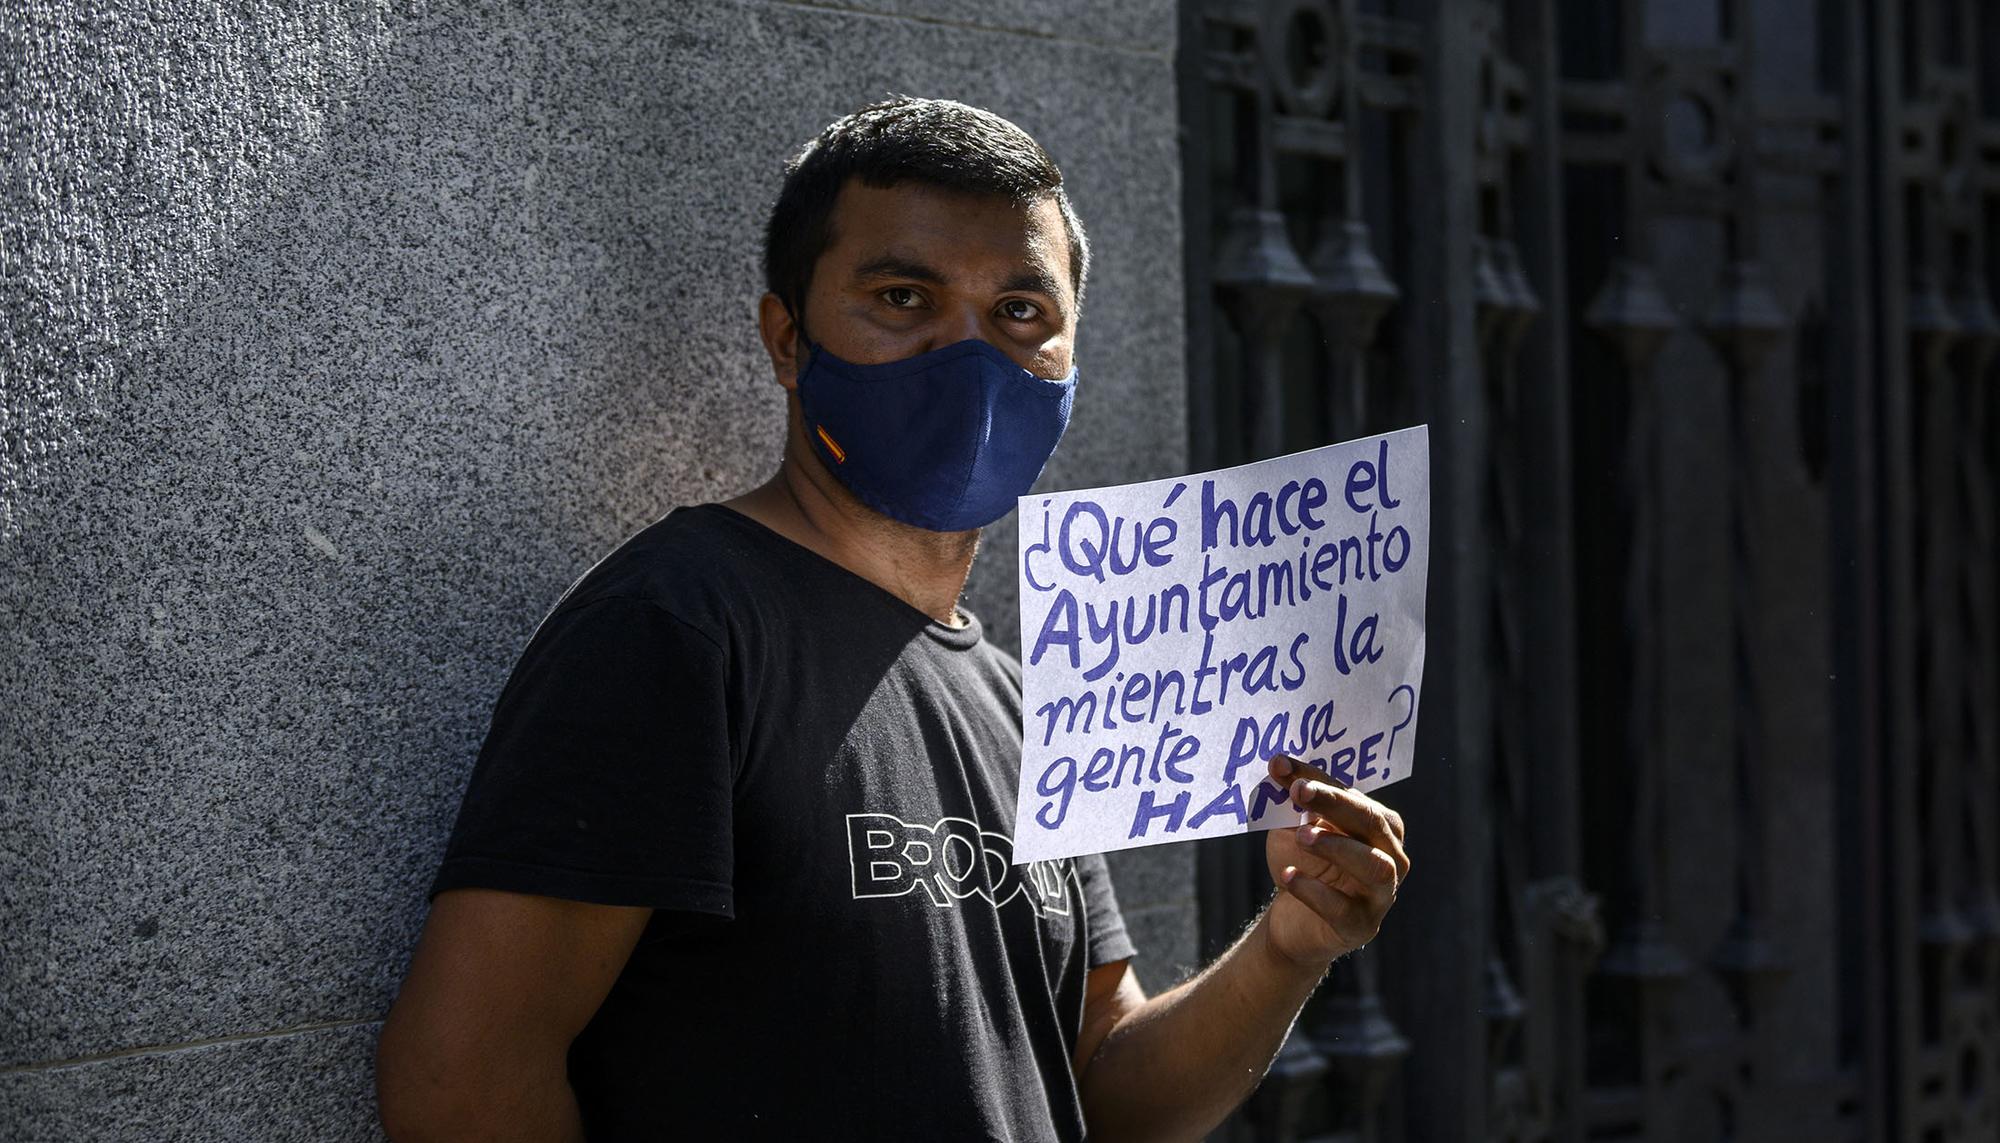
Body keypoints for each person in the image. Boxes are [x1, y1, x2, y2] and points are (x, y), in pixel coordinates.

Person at [375, 96, 1409, 1142]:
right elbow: (459, 1081)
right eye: (902, 296)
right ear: (787, 338)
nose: (968, 358)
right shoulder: (676, 627)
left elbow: (1097, 1087)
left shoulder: (1024, 699)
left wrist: (1289, 946)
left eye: (1019, 313)